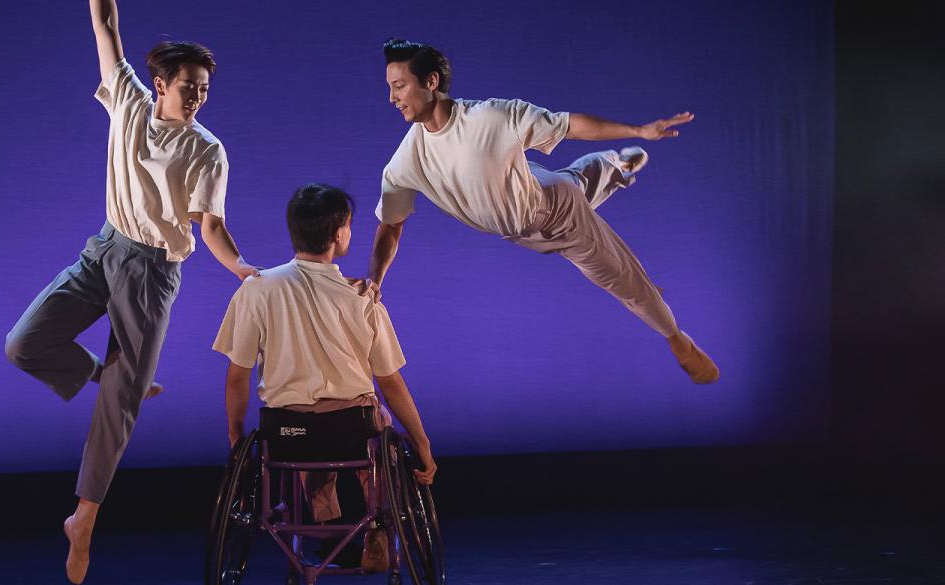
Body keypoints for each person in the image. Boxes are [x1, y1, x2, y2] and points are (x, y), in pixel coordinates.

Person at [2, 1, 259, 582]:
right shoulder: (128, 100)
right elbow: (106, 25)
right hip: (105, 249)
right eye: (189, 87)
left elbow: (208, 224)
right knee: (23, 344)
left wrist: (242, 269)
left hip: (152, 272)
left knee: (119, 405)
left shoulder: (207, 150)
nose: (197, 98)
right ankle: (107, 373)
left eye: (205, 90)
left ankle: (83, 519)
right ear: (161, 84)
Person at [358, 38, 719, 384]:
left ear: (431, 81)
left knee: (621, 277)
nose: (392, 98)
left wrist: (639, 130)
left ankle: (678, 340)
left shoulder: (491, 116)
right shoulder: (404, 163)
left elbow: (569, 125)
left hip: (556, 213)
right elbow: (389, 226)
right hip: (530, 200)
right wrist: (376, 280)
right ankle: (618, 166)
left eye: (400, 86)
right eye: (390, 87)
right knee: (574, 181)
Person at [214, 183, 438, 572]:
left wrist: (237, 441)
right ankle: (377, 529)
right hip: (354, 432)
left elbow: (237, 378)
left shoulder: (256, 291)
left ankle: (326, 528)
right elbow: (391, 382)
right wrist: (422, 443)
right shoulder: (362, 297)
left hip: (287, 436)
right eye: (350, 226)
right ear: (338, 235)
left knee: (308, 437)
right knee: (377, 425)